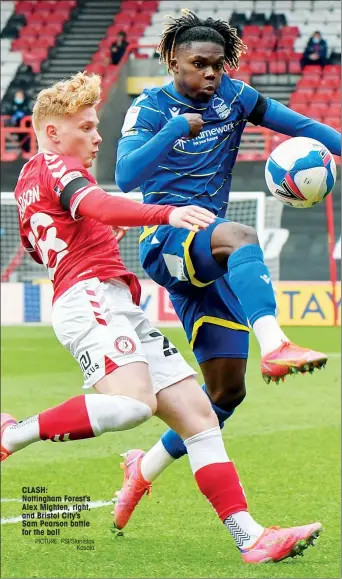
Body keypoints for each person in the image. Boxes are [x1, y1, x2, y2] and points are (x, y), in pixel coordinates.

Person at [0, 71, 322, 564]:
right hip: (90, 299)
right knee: (132, 406)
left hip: (110, 299)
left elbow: (42, 239)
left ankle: (250, 537)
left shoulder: (29, 181)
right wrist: (166, 213)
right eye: (86, 127)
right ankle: (12, 434)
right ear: (52, 132)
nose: (97, 135)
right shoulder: (53, 164)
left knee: (199, 417)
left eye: (95, 126)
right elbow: (101, 206)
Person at [113, 10, 341, 532]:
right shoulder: (148, 109)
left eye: (218, 65)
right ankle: (277, 344)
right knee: (241, 234)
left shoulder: (234, 98)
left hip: (208, 256)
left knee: (224, 395)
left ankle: (141, 469)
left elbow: (303, 128)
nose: (211, 75)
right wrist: (174, 129)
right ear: (173, 61)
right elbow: (125, 176)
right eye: (199, 65)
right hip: (167, 237)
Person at [8, 88, 32, 153]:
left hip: (26, 126)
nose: (18, 97)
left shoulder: (26, 104)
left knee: (26, 139)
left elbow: (29, 112)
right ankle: (23, 150)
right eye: (17, 96)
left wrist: (23, 114)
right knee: (20, 138)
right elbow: (9, 112)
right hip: (17, 125)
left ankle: (27, 151)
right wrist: (14, 115)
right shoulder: (13, 104)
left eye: (20, 96)